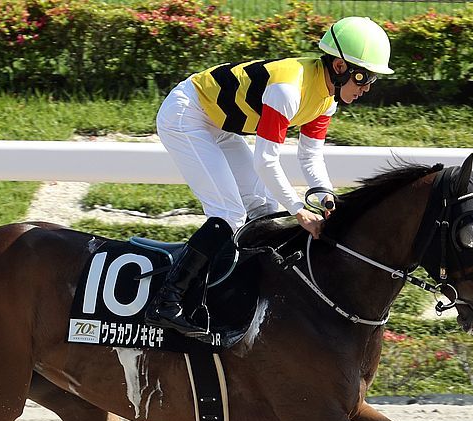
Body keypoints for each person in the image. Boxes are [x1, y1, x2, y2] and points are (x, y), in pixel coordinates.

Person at [145, 16, 394, 337]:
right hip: (186, 115)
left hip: (221, 124)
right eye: (364, 78)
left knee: (263, 209)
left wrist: (325, 196)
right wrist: (299, 210)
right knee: (229, 213)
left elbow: (310, 156)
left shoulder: (326, 101)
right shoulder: (287, 90)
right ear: (339, 66)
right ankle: (167, 301)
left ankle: (242, 290)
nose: (367, 88)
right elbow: (266, 161)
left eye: (373, 80)